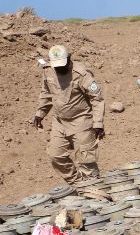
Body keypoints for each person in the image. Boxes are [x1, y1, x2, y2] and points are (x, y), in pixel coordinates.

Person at [31, 45, 105, 184]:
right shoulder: (48, 71)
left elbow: (97, 99)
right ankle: (78, 184)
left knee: (85, 159)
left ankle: (93, 188)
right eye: (56, 66)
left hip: (81, 121)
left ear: (69, 58)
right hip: (59, 122)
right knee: (55, 156)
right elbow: (46, 93)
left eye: (62, 65)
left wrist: (98, 124)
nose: (59, 69)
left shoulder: (81, 74)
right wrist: (40, 113)